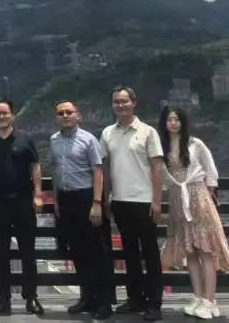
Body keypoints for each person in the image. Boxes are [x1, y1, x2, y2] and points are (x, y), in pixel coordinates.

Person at [158, 107, 229, 320]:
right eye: (169, 119)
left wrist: (207, 197)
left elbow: (211, 171)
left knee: (205, 249)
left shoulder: (195, 143)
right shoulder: (162, 147)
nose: (173, 123)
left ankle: (210, 300)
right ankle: (198, 297)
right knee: (190, 251)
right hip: (177, 198)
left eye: (177, 119)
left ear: (183, 122)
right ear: (164, 123)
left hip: (197, 196)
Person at [100, 86, 165, 321]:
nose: (120, 105)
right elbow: (105, 167)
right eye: (116, 101)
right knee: (129, 253)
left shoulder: (148, 132)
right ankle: (135, 298)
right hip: (119, 201)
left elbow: (157, 167)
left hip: (144, 201)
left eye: (124, 101)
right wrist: (106, 197)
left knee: (150, 253)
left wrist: (157, 201)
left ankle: (154, 303)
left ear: (134, 103)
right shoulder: (108, 133)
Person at [50, 100, 114, 320]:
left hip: (86, 198)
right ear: (56, 117)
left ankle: (104, 302)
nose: (65, 116)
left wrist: (97, 202)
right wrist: (56, 201)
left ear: (78, 115)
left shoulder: (88, 139)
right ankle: (87, 297)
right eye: (61, 113)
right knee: (77, 251)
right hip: (65, 199)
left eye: (69, 112)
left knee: (97, 251)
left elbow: (98, 171)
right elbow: (56, 171)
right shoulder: (54, 140)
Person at [0, 98, 44, 316]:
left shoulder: (25, 138)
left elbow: (35, 166)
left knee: (28, 252)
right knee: (1, 253)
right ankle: (4, 297)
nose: (1, 116)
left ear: (12, 114)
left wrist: (38, 194)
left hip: (23, 201)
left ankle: (31, 296)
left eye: (5, 112)